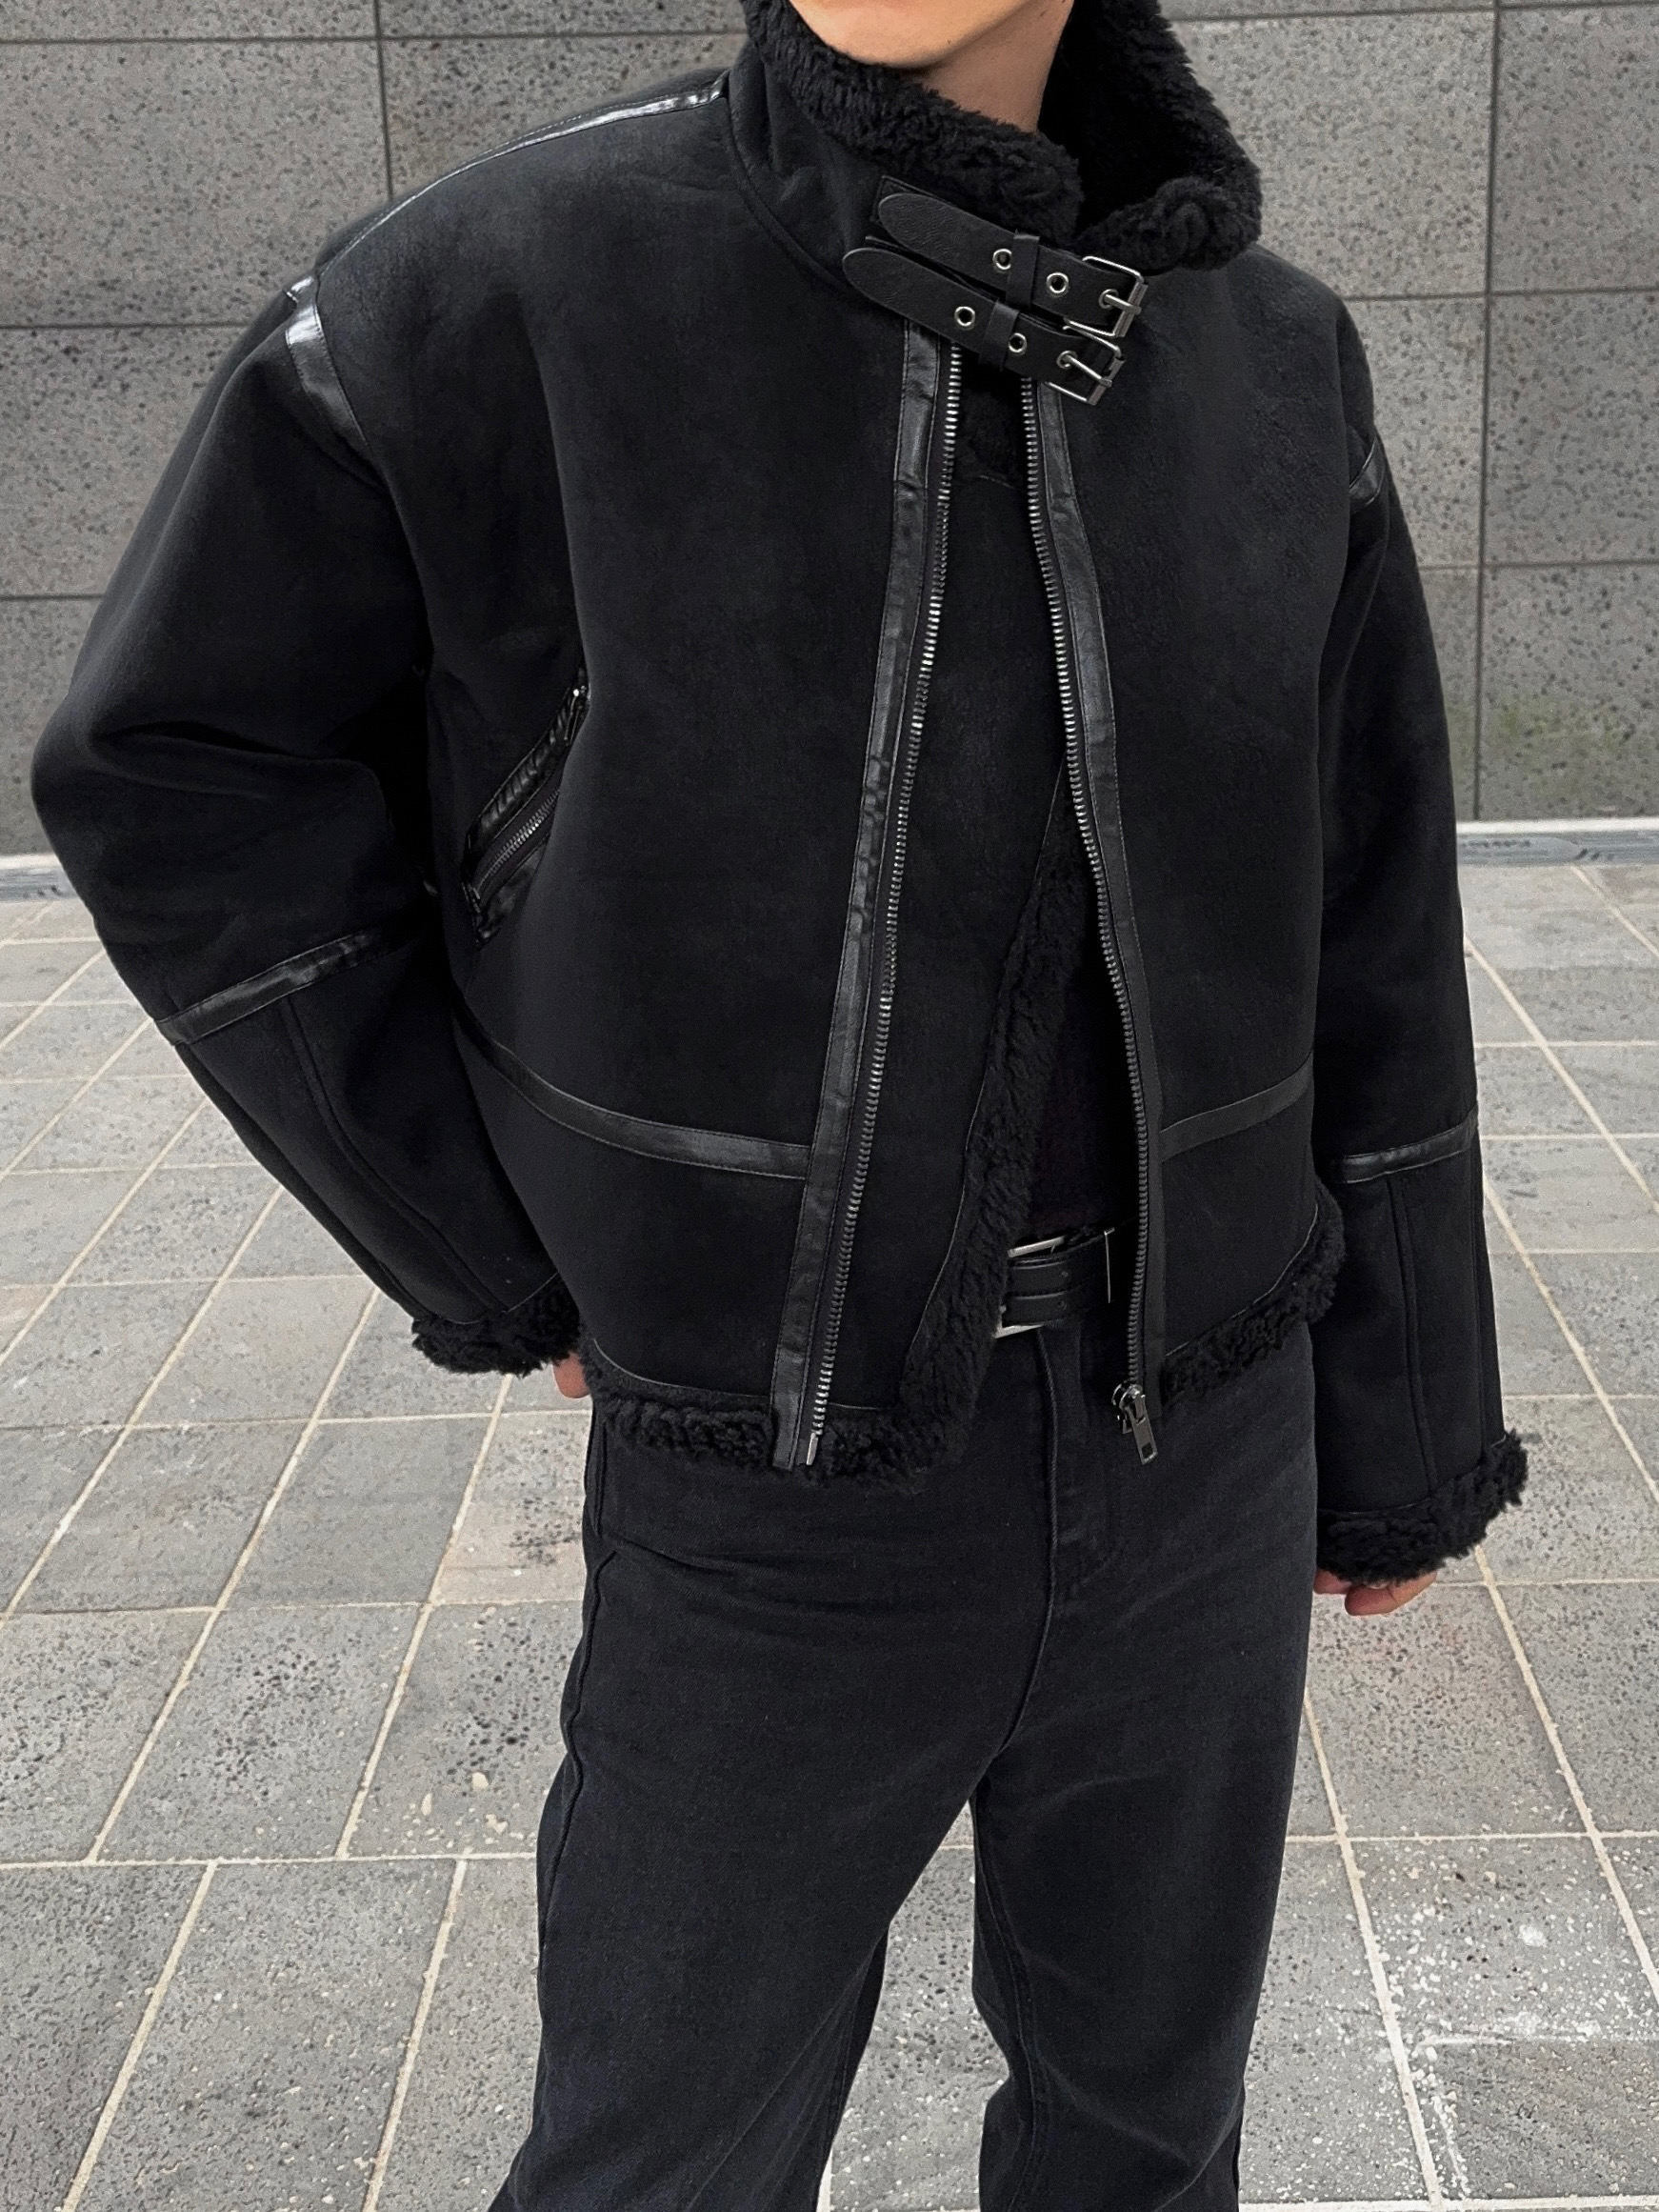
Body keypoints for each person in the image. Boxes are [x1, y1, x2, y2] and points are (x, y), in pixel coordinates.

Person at [34, 0, 1526, 2202]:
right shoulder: (500, 288)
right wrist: (497, 1243)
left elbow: (1369, 910)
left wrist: (1399, 1436)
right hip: (777, 1485)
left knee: (1145, 2136)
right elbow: (176, 774)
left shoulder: (1268, 357)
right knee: (665, 2154)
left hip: (1203, 1439)